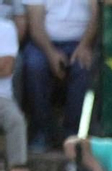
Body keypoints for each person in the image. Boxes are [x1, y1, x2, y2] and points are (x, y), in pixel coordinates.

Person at [19, 0, 94, 152]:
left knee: (84, 67)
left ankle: (73, 134)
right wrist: (51, 53)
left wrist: (85, 45)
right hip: (43, 43)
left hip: (80, 42)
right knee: (34, 66)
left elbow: (95, 15)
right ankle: (41, 132)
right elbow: (35, 25)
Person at [0, 14, 25, 166]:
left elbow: (6, 68)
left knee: (16, 121)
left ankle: (17, 170)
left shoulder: (6, 28)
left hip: (2, 98)